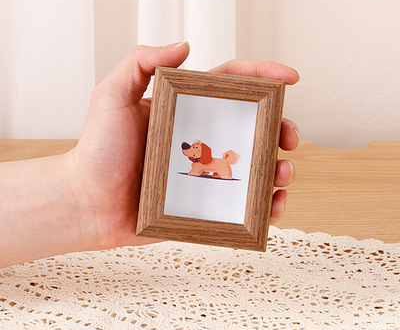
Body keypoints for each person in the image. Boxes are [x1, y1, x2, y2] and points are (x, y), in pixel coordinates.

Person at [0, 43, 300, 268]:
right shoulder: (196, 162)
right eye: (192, 150)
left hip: (215, 168)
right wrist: (81, 191)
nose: (190, 151)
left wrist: (82, 192)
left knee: (223, 170)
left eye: (195, 150)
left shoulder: (214, 161)